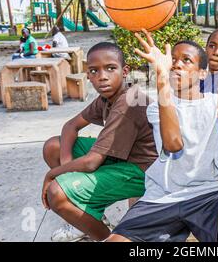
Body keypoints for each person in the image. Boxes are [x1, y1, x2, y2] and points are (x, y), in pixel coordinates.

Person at [106, 30, 218, 242]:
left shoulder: (216, 104)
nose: (176, 65)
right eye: (172, 60)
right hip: (163, 195)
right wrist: (162, 80)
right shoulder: (159, 108)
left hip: (209, 192)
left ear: (202, 73)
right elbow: (173, 144)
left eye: (186, 60)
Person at [41, 42, 158, 242]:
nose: (102, 76)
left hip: (142, 171)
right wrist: (67, 168)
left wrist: (53, 174)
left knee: (57, 193)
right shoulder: (108, 96)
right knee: (54, 146)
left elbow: (91, 162)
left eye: (110, 68)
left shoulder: (128, 102)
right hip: (120, 157)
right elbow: (70, 126)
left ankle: (105, 238)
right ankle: (87, 217)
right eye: (94, 71)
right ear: (88, 75)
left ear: (124, 71)